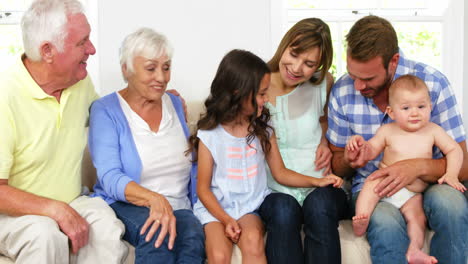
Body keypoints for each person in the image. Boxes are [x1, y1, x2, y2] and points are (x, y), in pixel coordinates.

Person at [327, 15, 468, 264]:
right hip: (376, 187)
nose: (358, 85)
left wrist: (417, 167)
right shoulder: (342, 91)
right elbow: (337, 162)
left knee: (452, 206)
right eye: (353, 75)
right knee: (384, 224)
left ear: (393, 62)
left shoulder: (432, 84)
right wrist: (350, 158)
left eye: (369, 79)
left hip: (430, 184)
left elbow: (463, 164)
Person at [0, 0, 128, 263]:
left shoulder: (78, 82)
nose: (91, 49)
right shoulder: (5, 96)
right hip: (12, 215)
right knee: (44, 235)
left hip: (70, 199)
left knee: (105, 226)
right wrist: (53, 210)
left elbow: (112, 117)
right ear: (48, 51)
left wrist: (154, 97)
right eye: (82, 42)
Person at [189, 49, 343, 264]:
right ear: (237, 93)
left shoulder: (263, 128)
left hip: (250, 206)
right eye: (262, 94)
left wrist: (316, 181)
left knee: (253, 242)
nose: (266, 99)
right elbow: (203, 189)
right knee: (218, 256)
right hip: (216, 209)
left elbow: (280, 173)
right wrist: (225, 219)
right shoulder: (210, 135)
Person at [88, 27, 205, 264]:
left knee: (192, 236)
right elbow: (110, 176)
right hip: (128, 203)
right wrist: (153, 198)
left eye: (166, 67)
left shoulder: (174, 102)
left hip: (179, 204)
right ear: (126, 70)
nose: (161, 78)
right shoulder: (106, 110)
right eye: (151, 68)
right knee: (156, 233)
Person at [258, 18, 349, 264]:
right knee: (283, 210)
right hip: (274, 187)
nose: (297, 68)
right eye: (294, 54)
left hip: (321, 182)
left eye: (309, 63)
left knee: (318, 206)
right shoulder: (256, 84)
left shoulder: (324, 83)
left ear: (320, 64)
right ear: (285, 45)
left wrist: (325, 142)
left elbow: (328, 122)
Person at [347, 74, 465, 263]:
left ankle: (414, 250)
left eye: (421, 106)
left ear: (430, 107)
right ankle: (362, 217)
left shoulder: (433, 130)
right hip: (385, 187)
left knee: (418, 219)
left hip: (413, 194)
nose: (415, 113)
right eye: (406, 108)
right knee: (370, 185)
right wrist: (359, 145)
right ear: (391, 112)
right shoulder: (387, 130)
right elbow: (371, 150)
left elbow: (455, 150)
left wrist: (451, 174)